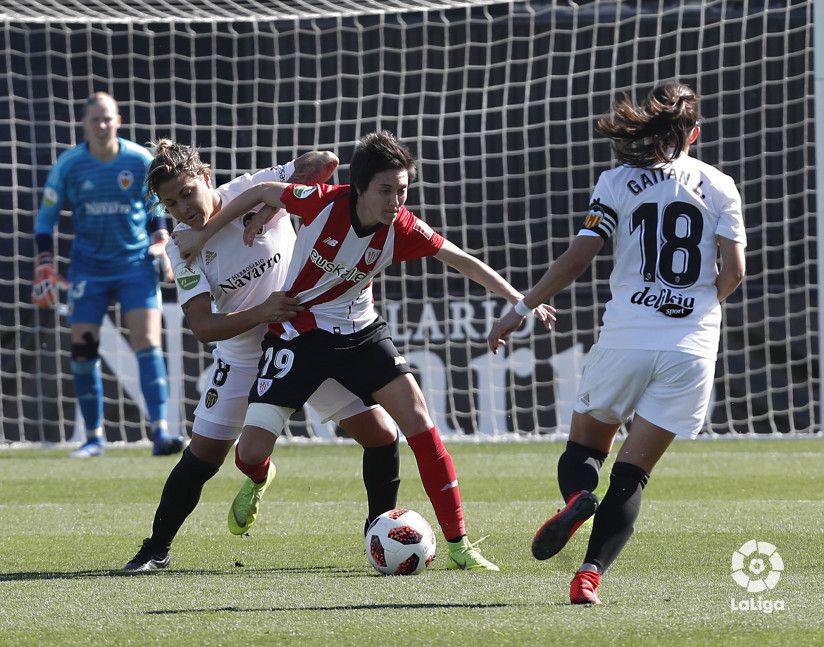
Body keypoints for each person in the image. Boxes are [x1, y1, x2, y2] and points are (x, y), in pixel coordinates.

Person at [173, 131, 556, 571]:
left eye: (404, 190)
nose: (396, 201)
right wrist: (210, 236)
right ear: (360, 188)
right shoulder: (322, 202)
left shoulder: (404, 227)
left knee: (418, 420)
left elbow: (461, 258)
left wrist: (519, 302)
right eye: (386, 190)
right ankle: (260, 476)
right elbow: (262, 190)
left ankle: (459, 543)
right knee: (251, 452)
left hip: (360, 333)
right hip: (299, 333)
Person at [487, 81, 746, 604]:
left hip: (627, 335)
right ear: (693, 133)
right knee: (633, 474)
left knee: (584, 446)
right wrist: (698, 308)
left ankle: (579, 496)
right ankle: (589, 577)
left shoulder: (615, 181)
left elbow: (579, 257)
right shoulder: (720, 185)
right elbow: (735, 270)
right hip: (691, 348)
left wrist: (520, 308)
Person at [123, 140, 402, 571]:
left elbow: (325, 162)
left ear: (206, 178)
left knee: (381, 435)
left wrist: (268, 208)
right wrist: (262, 311)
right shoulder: (181, 247)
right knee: (204, 457)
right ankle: (155, 548)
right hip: (242, 354)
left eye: (187, 192)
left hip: (304, 341)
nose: (182, 207)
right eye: (170, 202)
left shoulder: (252, 189)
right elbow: (202, 328)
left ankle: (377, 534)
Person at [32, 92, 183, 458]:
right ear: (85, 125)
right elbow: (45, 220)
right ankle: (94, 438)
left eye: (107, 118)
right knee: (83, 350)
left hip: (134, 265)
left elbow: (156, 207)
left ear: (119, 121)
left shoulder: (138, 159)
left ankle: (161, 432)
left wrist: (161, 240)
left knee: (147, 342)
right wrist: (44, 264)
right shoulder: (70, 164)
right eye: (95, 120)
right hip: (89, 268)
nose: (101, 125)